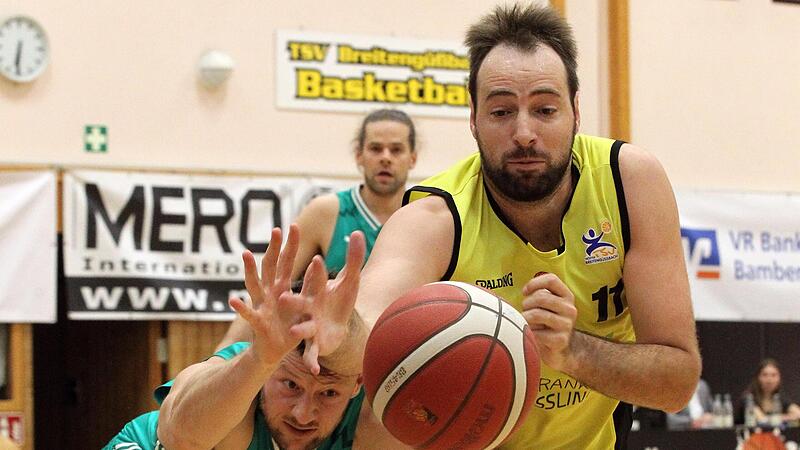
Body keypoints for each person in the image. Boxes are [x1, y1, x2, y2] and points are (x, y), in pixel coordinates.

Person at [306, 4, 701, 448]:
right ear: (472, 118)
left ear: (575, 110)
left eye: (545, 109)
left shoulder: (630, 182)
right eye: (501, 112)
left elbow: (676, 383)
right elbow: (368, 325)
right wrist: (337, 337)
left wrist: (572, 352)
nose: (525, 132)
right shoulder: (435, 217)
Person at [104, 225, 409, 450]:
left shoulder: (375, 416)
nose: (303, 414)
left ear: (356, 385)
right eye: (290, 385)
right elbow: (179, 435)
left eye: (328, 394)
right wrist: (260, 359)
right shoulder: (241, 380)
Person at [216, 109, 418, 351]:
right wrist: (223, 351)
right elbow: (271, 291)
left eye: (396, 150)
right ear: (359, 155)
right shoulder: (325, 212)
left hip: (402, 354)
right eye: (375, 148)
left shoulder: (423, 216)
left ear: (412, 158)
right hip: (330, 359)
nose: (386, 158)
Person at [739, 358, 800, 425]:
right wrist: (786, 417)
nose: (769, 380)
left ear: (779, 378)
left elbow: (798, 414)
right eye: (765, 375)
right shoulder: (748, 398)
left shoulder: (780, 397)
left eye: (774, 375)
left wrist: (778, 418)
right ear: (758, 377)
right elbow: (762, 420)